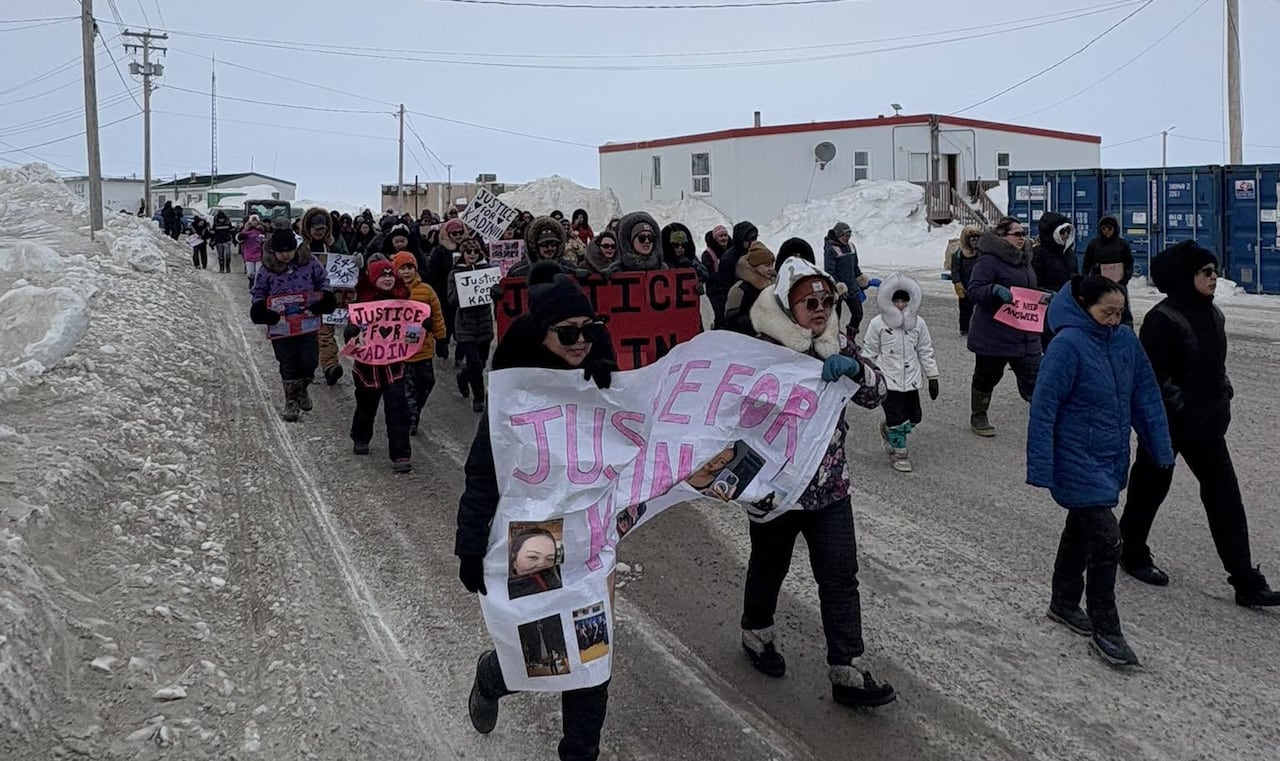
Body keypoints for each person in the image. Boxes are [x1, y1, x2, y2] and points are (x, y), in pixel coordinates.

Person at [457, 261, 617, 761]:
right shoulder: (514, 397)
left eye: (588, 332)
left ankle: (579, 753)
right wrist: (470, 542)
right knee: (545, 648)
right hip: (535, 538)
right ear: (540, 334)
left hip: (591, 542)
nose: (579, 343)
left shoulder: (606, 387)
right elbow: (484, 475)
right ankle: (494, 676)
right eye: (566, 333)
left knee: (592, 654)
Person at [740, 257, 895, 708]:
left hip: (830, 488)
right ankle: (756, 631)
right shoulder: (760, 350)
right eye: (811, 302)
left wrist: (854, 370)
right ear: (789, 305)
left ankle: (847, 666)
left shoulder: (837, 343)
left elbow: (877, 393)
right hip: (777, 490)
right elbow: (736, 415)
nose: (821, 309)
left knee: (840, 576)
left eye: (828, 300)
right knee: (770, 568)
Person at [1119, 242, 1280, 607]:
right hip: (1168, 425)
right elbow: (1155, 379)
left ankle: (1245, 580)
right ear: (1184, 277)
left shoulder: (1213, 314)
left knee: (1225, 496)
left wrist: (1222, 393)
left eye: (1214, 270)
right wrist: (1182, 408)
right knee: (1150, 486)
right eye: (1205, 272)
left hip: (1206, 425)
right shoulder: (1163, 319)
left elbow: (1214, 365)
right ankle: (1131, 550)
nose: (1214, 277)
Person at [1027, 275, 1174, 667]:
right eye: (1106, 312)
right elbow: (1044, 407)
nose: (1113, 319)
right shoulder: (1066, 346)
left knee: (1081, 528)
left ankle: (1062, 601)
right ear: (1081, 305)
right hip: (1075, 457)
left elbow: (1145, 393)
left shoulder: (1125, 341)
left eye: (1119, 312)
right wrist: (1041, 465)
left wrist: (1160, 447)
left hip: (1108, 456)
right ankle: (1107, 628)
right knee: (1108, 541)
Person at [248, 229, 337, 421]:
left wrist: (326, 298)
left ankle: (302, 388)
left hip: (307, 323)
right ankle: (291, 401)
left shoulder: (310, 263)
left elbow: (323, 281)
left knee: (309, 360)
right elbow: (258, 292)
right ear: (274, 252)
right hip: (281, 326)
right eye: (281, 252)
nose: (285, 255)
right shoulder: (266, 269)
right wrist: (260, 309)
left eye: (289, 251)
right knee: (288, 362)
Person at [966, 216, 1041, 437]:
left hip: (1025, 332)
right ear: (1002, 236)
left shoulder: (1025, 259)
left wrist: (1043, 297)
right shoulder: (988, 261)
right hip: (994, 334)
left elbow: (1027, 289)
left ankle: (1045, 420)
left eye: (1023, 233)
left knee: (1035, 378)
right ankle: (978, 415)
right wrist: (994, 290)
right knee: (987, 376)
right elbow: (974, 291)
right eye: (1016, 234)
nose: (1022, 238)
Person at [343, 259, 414, 473]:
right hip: (368, 366)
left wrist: (422, 328)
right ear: (373, 279)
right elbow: (352, 330)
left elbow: (411, 331)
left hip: (394, 365)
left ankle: (401, 454)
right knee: (366, 405)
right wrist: (351, 333)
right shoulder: (363, 304)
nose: (387, 279)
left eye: (390, 275)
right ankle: (361, 436)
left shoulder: (403, 301)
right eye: (382, 276)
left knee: (398, 408)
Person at [862, 274, 938, 473]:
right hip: (888, 379)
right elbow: (869, 350)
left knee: (914, 417)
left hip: (911, 380)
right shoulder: (878, 324)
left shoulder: (918, 324)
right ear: (889, 301)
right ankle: (899, 453)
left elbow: (925, 349)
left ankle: (888, 429)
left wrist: (932, 376)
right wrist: (867, 376)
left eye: (904, 300)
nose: (901, 304)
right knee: (897, 418)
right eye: (897, 300)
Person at [392, 252, 448, 436]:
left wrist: (440, 338)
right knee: (408, 387)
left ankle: (416, 408)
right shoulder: (391, 291)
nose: (406, 272)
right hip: (403, 351)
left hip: (424, 349)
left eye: (409, 268)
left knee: (427, 381)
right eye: (402, 268)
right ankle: (412, 419)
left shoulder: (426, 290)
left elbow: (437, 315)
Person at [300, 208, 352, 387]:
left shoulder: (335, 243)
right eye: (316, 229)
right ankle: (306, 370)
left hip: (328, 296)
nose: (319, 232)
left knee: (325, 333)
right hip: (305, 297)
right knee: (306, 336)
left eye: (322, 229)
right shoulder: (300, 245)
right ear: (308, 228)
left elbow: (347, 261)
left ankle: (330, 366)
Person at [448, 237, 497, 412]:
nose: (472, 255)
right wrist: (463, 291)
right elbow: (451, 299)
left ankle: (463, 376)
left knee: (481, 362)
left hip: (484, 323)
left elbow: (496, 293)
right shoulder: (455, 273)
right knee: (475, 363)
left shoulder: (487, 270)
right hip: (465, 324)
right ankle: (479, 398)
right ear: (463, 253)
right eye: (469, 252)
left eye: (475, 252)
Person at [1030, 212, 1078, 349]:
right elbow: (1033, 284)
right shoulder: (1038, 254)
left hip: (1068, 306)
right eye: (1062, 231)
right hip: (1046, 309)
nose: (1066, 235)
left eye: (1069, 231)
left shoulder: (1069, 254)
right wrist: (1050, 295)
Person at [1082, 215, 1135, 326]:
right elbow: (1087, 263)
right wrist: (1085, 280)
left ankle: (1125, 329)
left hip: (1118, 283)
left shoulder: (1122, 244)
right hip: (1099, 283)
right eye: (1104, 229)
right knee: (1100, 308)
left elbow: (1129, 263)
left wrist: (1125, 278)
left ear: (1115, 229)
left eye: (1109, 229)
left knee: (1122, 309)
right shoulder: (1094, 244)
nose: (1106, 232)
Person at [823, 222, 870, 337]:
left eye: (849, 236)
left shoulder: (852, 247)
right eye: (845, 236)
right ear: (838, 235)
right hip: (837, 289)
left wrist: (860, 279)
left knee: (858, 314)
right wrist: (838, 286)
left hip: (852, 288)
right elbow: (829, 271)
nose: (847, 238)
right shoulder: (831, 249)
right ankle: (835, 338)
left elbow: (855, 267)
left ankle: (850, 337)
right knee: (835, 316)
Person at [428, 218, 466, 356]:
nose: (457, 236)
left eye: (460, 232)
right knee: (446, 322)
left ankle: (460, 354)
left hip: (464, 293)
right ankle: (442, 344)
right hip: (444, 292)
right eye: (454, 233)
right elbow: (432, 273)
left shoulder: (469, 248)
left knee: (463, 325)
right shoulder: (439, 251)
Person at [710, 221, 758, 329]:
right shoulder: (729, 259)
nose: (753, 242)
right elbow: (723, 288)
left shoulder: (755, 253)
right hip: (736, 305)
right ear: (741, 239)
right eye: (749, 239)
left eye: (755, 238)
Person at [724, 242, 776, 335]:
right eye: (767, 265)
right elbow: (731, 320)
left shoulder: (773, 286)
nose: (771, 269)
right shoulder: (739, 289)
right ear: (755, 266)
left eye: (772, 265)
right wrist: (757, 319)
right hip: (746, 341)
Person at [950, 225, 982, 337]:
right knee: (964, 309)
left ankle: (977, 329)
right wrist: (957, 283)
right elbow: (955, 270)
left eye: (977, 238)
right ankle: (964, 329)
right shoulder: (958, 254)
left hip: (978, 286)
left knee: (978, 309)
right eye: (972, 238)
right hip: (964, 286)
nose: (975, 240)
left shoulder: (981, 253)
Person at [237, 214, 266, 288]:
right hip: (249, 255)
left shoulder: (262, 230)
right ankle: (252, 283)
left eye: (256, 221)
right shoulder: (246, 231)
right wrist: (245, 230)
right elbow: (239, 238)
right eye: (253, 221)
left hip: (259, 255)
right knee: (250, 273)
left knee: (258, 272)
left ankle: (257, 286)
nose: (254, 223)